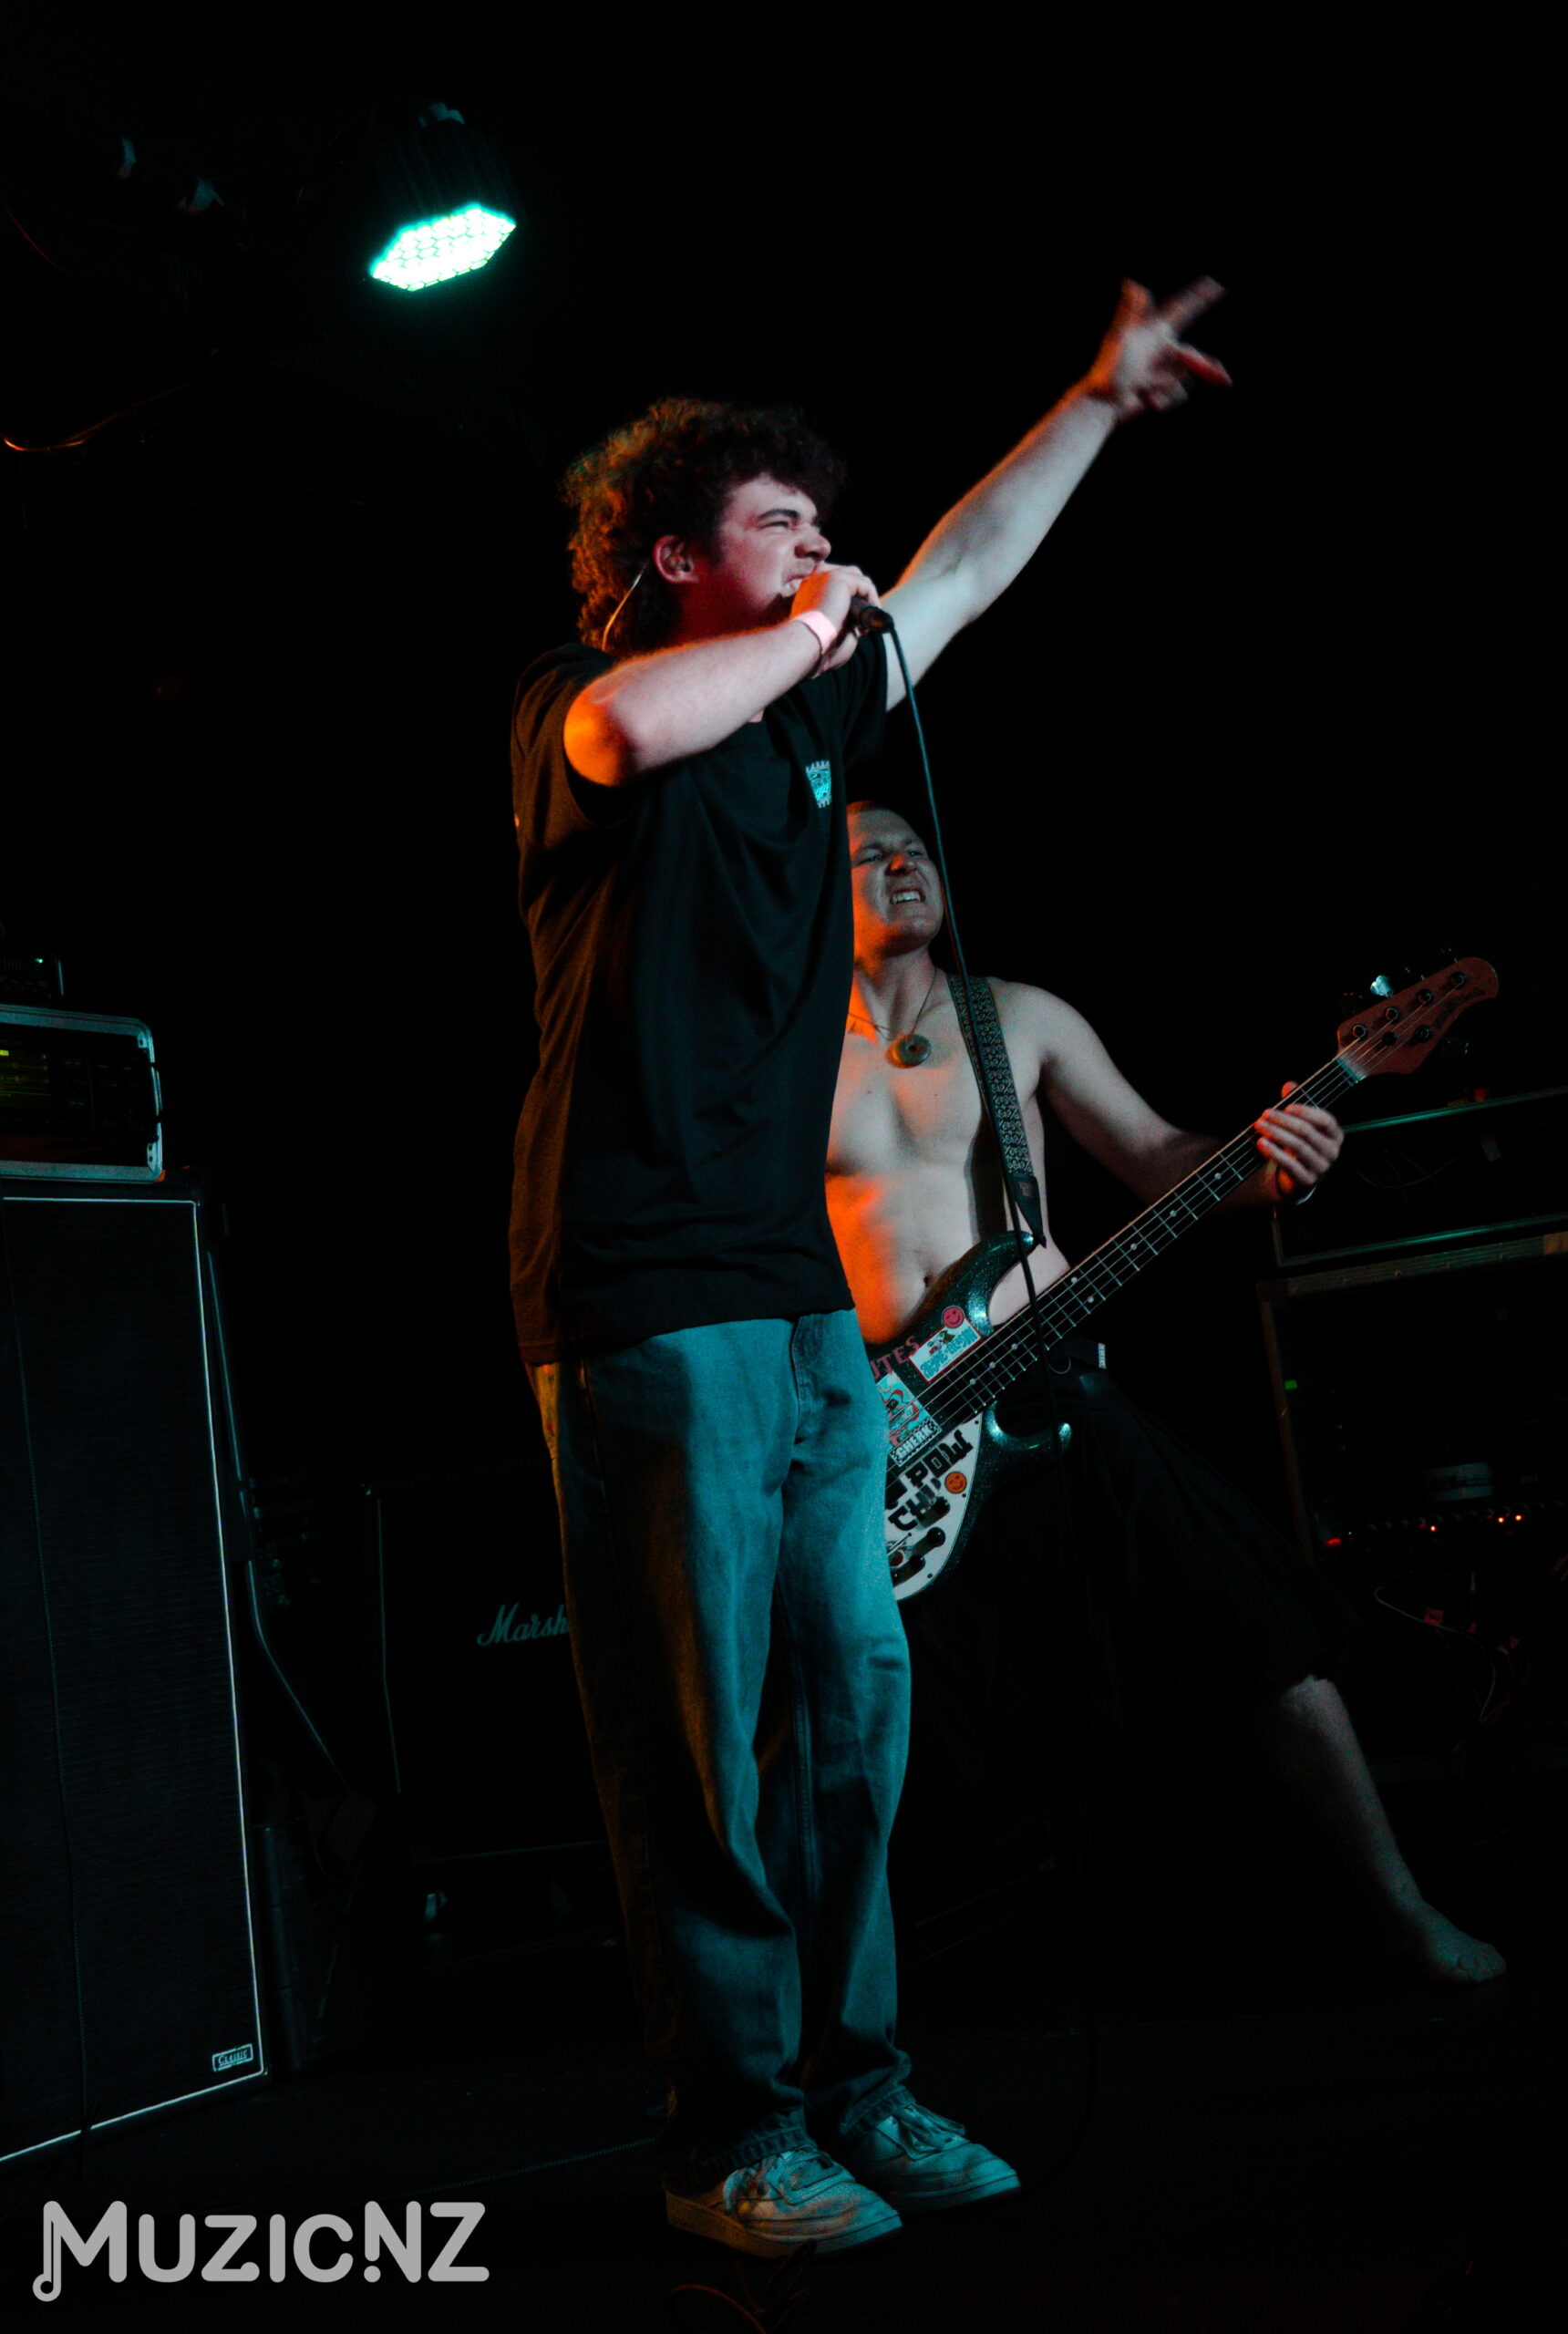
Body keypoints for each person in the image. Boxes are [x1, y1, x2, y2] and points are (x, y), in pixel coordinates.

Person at [510, 280, 1235, 2257]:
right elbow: (626, 719)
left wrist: (1095, 400)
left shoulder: (816, 702)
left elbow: (965, 571)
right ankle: (727, 2135)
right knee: (698, 1730)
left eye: (827, 533)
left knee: (848, 1699)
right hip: (641, 1286)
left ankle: (862, 2085)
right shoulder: (588, 705)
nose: (826, 556)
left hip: (798, 1298)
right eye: (781, 527)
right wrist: (826, 626)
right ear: (676, 557)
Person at [826, 800, 1508, 1988]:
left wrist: (1275, 1169)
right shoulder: (780, 1055)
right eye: (871, 855)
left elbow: (1157, 1157)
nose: (905, 865)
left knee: (1253, 1619)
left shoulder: (1017, 1016)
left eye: (916, 847)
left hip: (1045, 1384)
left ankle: (1403, 1913)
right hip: (878, 1428)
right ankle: (852, 2002)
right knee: (856, 1713)